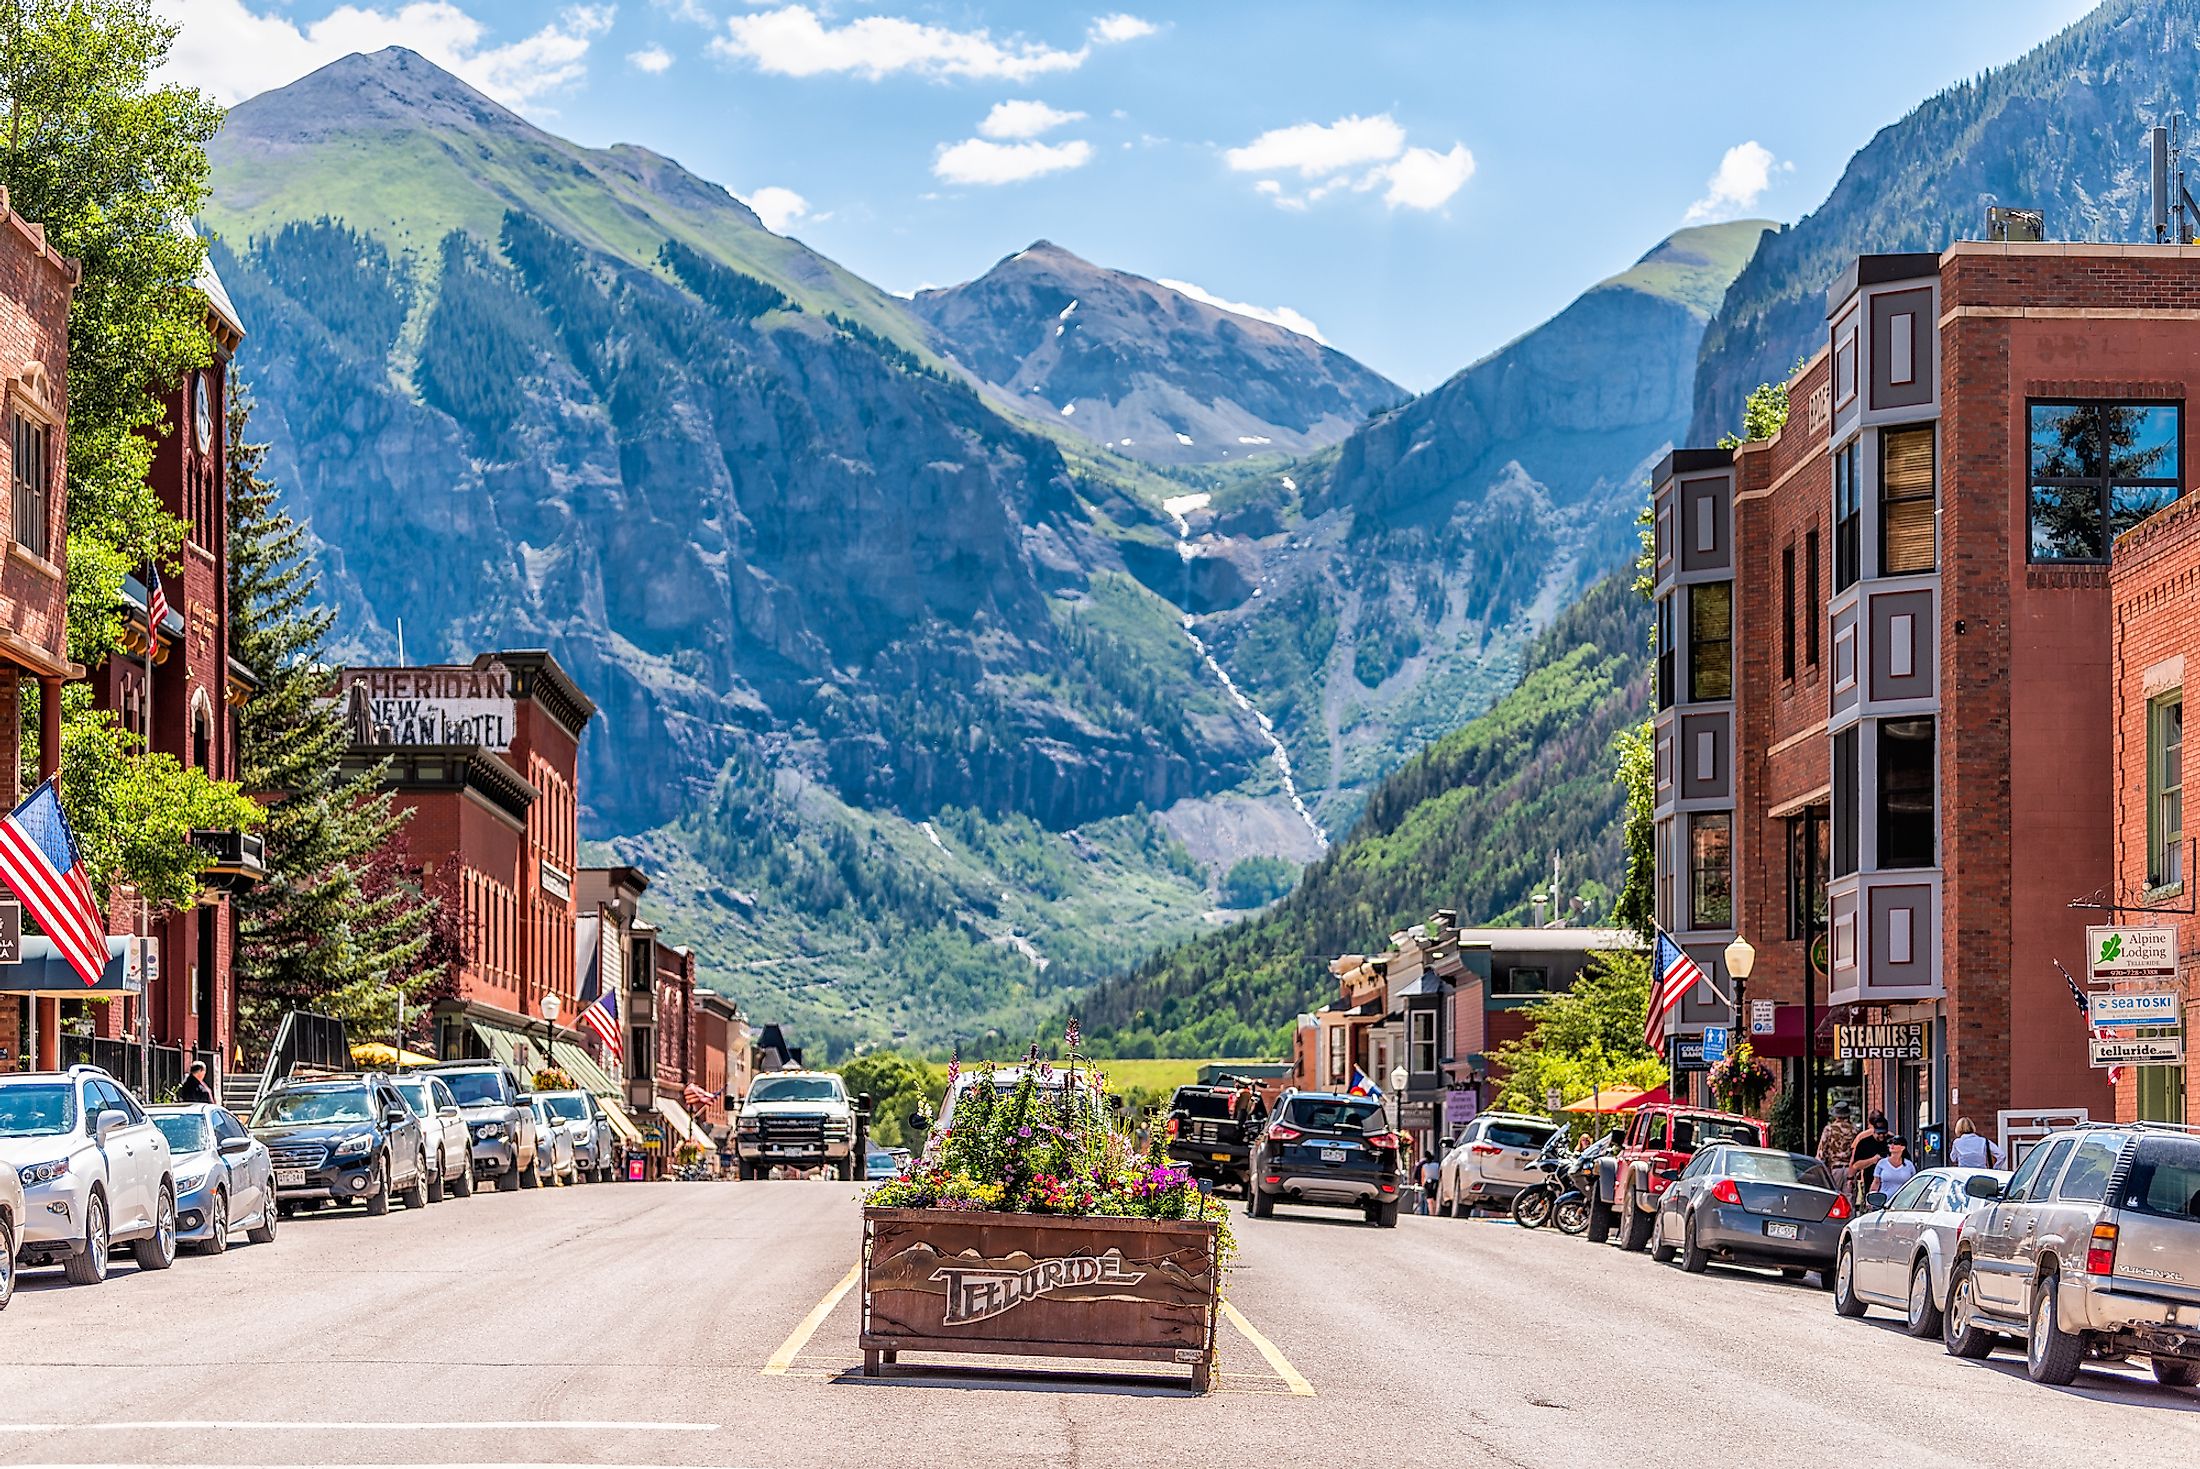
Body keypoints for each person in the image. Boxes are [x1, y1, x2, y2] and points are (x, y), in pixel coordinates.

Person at [1815, 1099, 1859, 1198]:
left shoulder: (1829, 1130)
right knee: (1849, 1201)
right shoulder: (1854, 1131)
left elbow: (1821, 1154)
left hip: (1834, 1170)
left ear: (1836, 1115)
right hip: (1850, 1171)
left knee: (1834, 1200)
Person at [1848, 1111, 1890, 1202]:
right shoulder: (1864, 1141)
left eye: (1884, 1133)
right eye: (1879, 1134)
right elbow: (1855, 1164)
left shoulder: (1892, 1140)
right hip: (1869, 1181)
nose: (1882, 1136)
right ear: (1874, 1130)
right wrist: (1873, 1160)